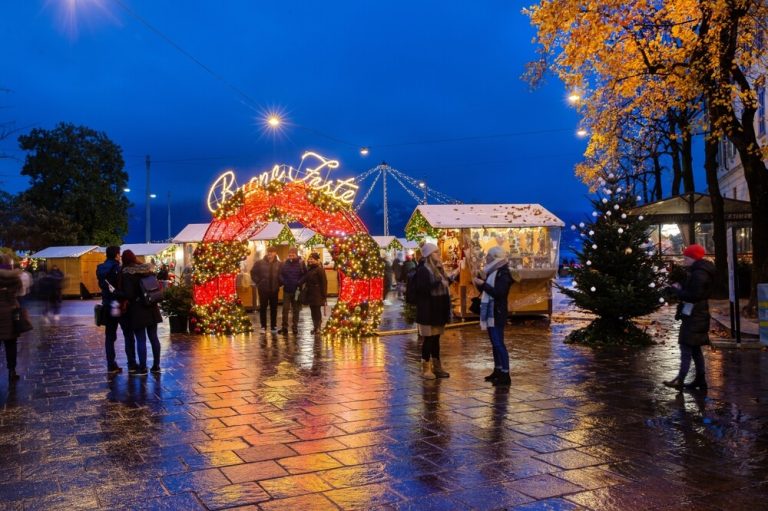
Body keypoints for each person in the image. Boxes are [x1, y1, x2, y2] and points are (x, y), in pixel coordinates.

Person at [664, 244, 715, 391]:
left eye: (686, 257)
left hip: (695, 315)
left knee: (685, 346)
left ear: (693, 258)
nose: (684, 260)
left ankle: (680, 380)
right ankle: (700, 379)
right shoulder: (698, 271)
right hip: (697, 314)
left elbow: (693, 295)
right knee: (694, 349)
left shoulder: (699, 274)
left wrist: (677, 291)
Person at [473, 246, 513, 386]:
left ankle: (505, 374)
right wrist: (479, 283)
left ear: (495, 257)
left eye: (488, 256)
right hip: (493, 312)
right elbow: (488, 290)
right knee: (494, 344)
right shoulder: (493, 271)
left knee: (498, 343)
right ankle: (498, 370)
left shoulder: (503, 273)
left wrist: (483, 285)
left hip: (497, 312)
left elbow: (498, 293)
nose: (486, 258)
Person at [414, 243, 454, 379]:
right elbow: (422, 289)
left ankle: (437, 367)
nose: (439, 255)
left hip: (439, 308)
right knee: (429, 339)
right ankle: (426, 369)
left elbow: (445, 284)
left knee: (436, 339)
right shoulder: (424, 270)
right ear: (429, 255)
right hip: (428, 310)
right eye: (436, 252)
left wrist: (452, 277)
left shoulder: (439, 269)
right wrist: (438, 282)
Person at [120, 250, 162, 375]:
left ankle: (143, 367)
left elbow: (129, 294)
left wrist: (117, 293)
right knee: (154, 337)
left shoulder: (127, 273)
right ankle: (156, 366)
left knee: (141, 339)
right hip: (152, 307)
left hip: (138, 310)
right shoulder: (147, 270)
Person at [96, 246, 137, 374]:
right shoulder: (118, 269)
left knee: (110, 336)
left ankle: (111, 364)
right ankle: (131, 364)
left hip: (107, 304)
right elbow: (122, 287)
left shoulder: (100, 269)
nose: (119, 256)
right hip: (118, 304)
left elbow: (103, 286)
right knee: (128, 334)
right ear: (116, 255)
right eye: (119, 254)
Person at [0, 254, 22, 383]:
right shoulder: (14, 277)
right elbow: (19, 291)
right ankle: (11, 370)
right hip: (10, 313)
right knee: (11, 344)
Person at [250, 247, 281, 332]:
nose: (270, 254)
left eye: (272, 252)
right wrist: (258, 282)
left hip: (274, 289)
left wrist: (279, 283)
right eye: (268, 252)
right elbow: (253, 272)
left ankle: (273, 326)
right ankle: (263, 326)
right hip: (263, 289)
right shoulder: (259, 263)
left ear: (275, 253)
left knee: (274, 308)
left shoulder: (279, 264)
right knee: (263, 308)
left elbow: (281, 274)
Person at [298, 253, 328, 335]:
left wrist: (324, 295)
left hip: (317, 293)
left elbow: (324, 283)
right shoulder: (309, 269)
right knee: (312, 311)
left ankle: (318, 327)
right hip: (310, 293)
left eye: (312, 259)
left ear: (317, 260)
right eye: (309, 259)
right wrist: (297, 283)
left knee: (317, 311)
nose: (310, 260)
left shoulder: (320, 269)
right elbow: (304, 279)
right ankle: (315, 327)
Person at [278, 247, 306, 334]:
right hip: (287, 290)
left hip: (296, 290)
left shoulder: (301, 263)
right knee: (285, 309)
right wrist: (283, 282)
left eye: (293, 255)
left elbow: (305, 275)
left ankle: (295, 327)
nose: (291, 257)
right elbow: (280, 274)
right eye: (289, 255)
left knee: (296, 309)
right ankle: (284, 327)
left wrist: (299, 282)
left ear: (296, 255)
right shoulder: (284, 263)